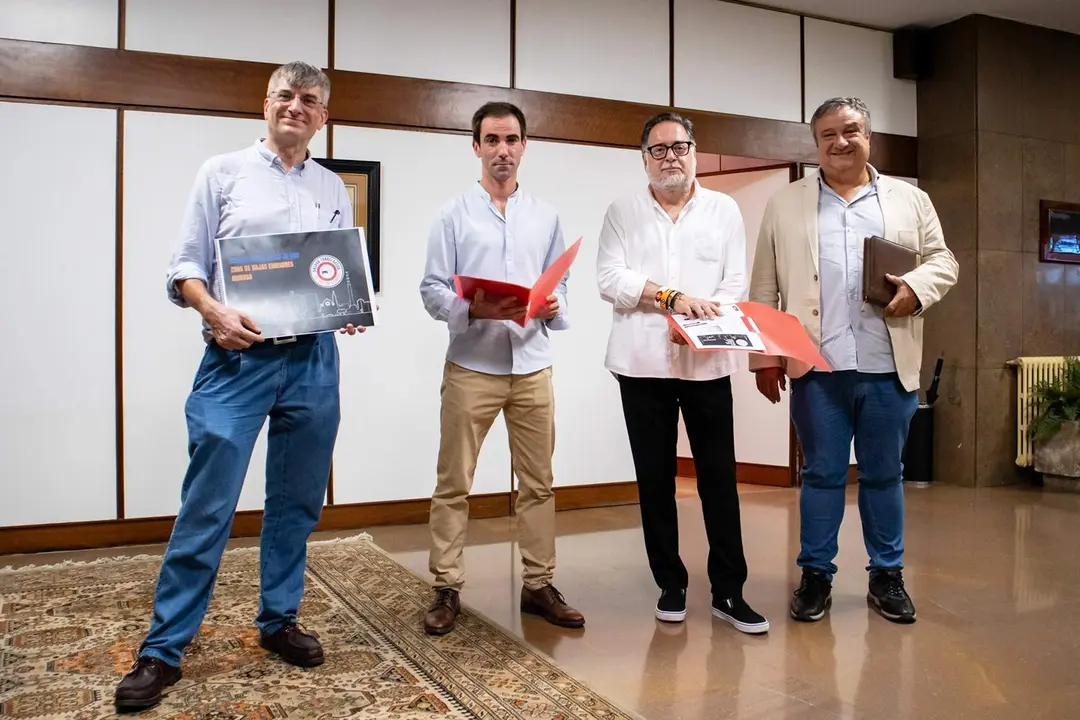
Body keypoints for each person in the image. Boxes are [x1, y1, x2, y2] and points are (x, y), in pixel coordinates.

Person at [114, 61, 363, 713]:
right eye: (286, 95)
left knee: (296, 502)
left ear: (323, 115)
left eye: (310, 99)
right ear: (266, 103)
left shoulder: (332, 184)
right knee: (208, 506)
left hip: (313, 361)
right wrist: (213, 310)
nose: (296, 106)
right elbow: (185, 267)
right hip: (235, 361)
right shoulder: (221, 173)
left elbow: (334, 270)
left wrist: (347, 308)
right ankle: (163, 649)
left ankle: (278, 619)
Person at [749, 97, 958, 625]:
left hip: (889, 364)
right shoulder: (785, 203)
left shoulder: (910, 199)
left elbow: (944, 261)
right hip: (816, 367)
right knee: (820, 474)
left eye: (851, 131)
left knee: (885, 473)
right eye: (828, 135)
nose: (841, 142)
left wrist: (915, 287)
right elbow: (765, 287)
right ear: (815, 143)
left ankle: (886, 576)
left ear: (869, 134)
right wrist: (765, 360)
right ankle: (816, 576)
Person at [596, 111, 769, 635]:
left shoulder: (724, 209)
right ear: (644, 158)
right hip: (641, 365)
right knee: (655, 481)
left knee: (720, 480)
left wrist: (697, 323)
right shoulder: (623, 210)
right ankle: (670, 584)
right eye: (658, 149)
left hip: (708, 363)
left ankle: (729, 592)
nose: (670, 157)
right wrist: (672, 300)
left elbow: (734, 283)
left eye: (679, 147)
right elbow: (609, 277)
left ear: (694, 151)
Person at [418, 101, 584, 635]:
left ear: (524, 146)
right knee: (454, 483)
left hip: (533, 365)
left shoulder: (546, 215)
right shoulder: (451, 214)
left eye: (511, 140)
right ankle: (446, 586)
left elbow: (558, 281)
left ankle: (539, 584)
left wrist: (554, 302)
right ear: (476, 147)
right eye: (492, 140)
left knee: (539, 483)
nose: (502, 151)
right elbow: (431, 290)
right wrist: (472, 308)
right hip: (473, 364)